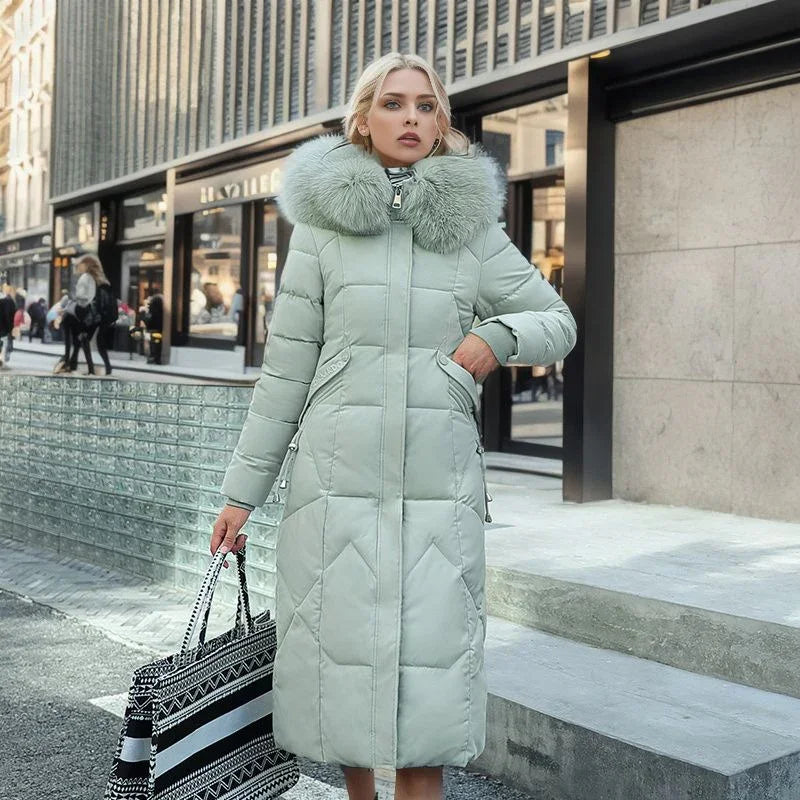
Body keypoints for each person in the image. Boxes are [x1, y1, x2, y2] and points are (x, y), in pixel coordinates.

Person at [210, 53, 577, 800]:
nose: (410, 117)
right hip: (334, 488)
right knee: (341, 684)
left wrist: (496, 339)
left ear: (442, 124)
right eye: (393, 104)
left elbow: (557, 320)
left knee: (428, 701)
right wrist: (240, 495)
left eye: (425, 106)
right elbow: (286, 373)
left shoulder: (472, 231)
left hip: (437, 494)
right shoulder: (320, 230)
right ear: (363, 119)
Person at [0, 284, 16, 368]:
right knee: (5, 343)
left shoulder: (8, 301)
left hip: (4, 327)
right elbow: (10, 316)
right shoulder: (9, 301)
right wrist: (11, 328)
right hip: (5, 328)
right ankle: (2, 361)